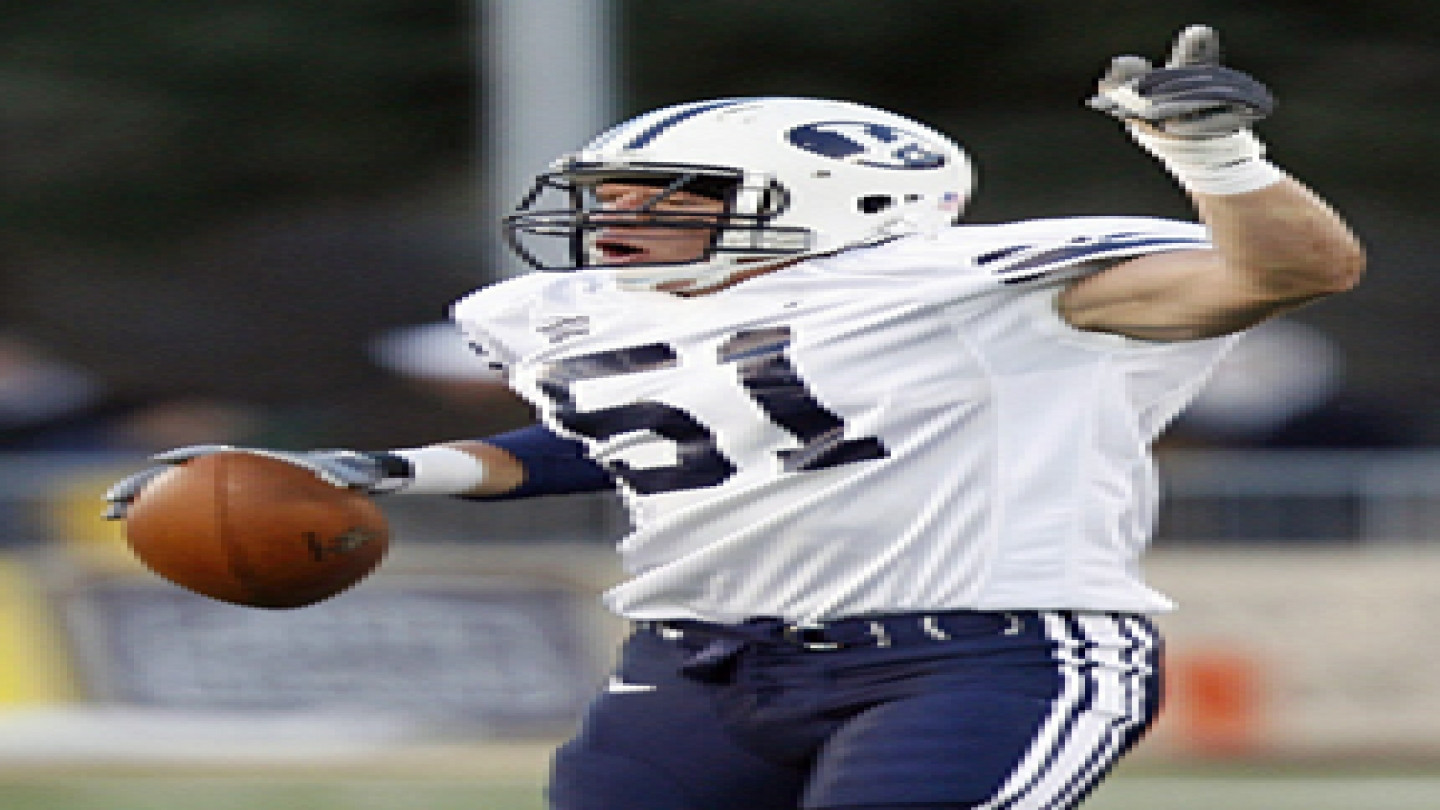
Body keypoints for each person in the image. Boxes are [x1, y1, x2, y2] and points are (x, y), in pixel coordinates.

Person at [104, 25, 1363, 810]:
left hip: (977, 656)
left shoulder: (975, 288)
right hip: (697, 663)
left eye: (665, 199)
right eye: (616, 197)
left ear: (844, 204)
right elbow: (634, 443)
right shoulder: (584, 313)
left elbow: (1290, 272)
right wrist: (378, 467)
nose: (617, 224)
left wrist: (1219, 163)